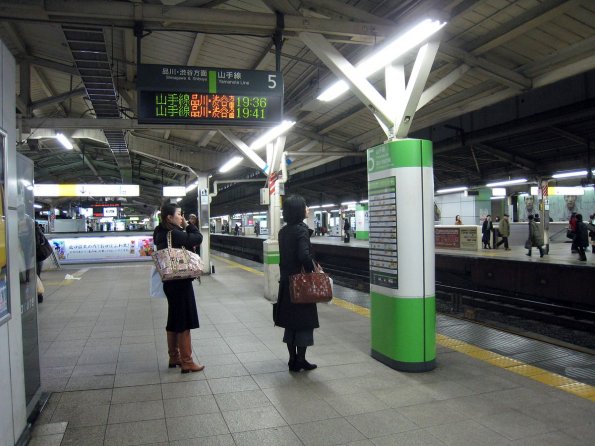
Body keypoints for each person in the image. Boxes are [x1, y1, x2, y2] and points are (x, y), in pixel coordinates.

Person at [153, 203, 205, 373]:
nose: (181, 217)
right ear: (169, 217)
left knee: (174, 317)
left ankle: (174, 356)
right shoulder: (174, 233)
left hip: (169, 282)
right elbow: (197, 238)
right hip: (180, 280)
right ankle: (187, 361)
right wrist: (188, 225)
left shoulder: (159, 232)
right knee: (185, 320)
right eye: (179, 215)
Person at [274, 195, 319, 372]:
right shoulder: (301, 230)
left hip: (286, 283)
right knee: (304, 323)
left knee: (291, 324)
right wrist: (313, 269)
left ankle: (292, 360)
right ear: (299, 210)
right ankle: (301, 359)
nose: (307, 209)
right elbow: (303, 256)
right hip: (301, 285)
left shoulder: (283, 232)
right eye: (305, 206)